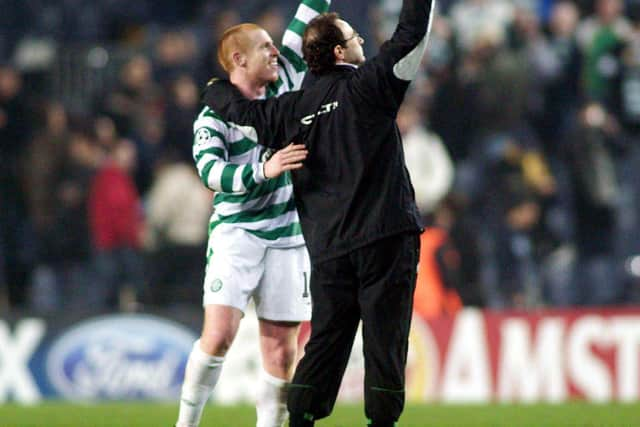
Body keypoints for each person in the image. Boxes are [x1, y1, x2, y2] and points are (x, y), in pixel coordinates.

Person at [203, 0, 436, 425]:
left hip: (328, 249)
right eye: (354, 37)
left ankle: (302, 420)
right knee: (385, 341)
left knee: (326, 342)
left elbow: (241, 114)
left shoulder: (290, 110)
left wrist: (213, 90)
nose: (362, 39)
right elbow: (412, 35)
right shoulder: (371, 85)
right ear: (339, 53)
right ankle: (381, 423)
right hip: (385, 237)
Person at [175, 1, 331, 427]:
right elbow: (210, 173)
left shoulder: (288, 84)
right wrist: (266, 168)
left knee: (282, 352)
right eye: (264, 46)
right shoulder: (213, 117)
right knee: (220, 334)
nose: (275, 51)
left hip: (288, 236)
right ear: (239, 59)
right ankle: (185, 424)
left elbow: (307, 18)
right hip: (237, 234)